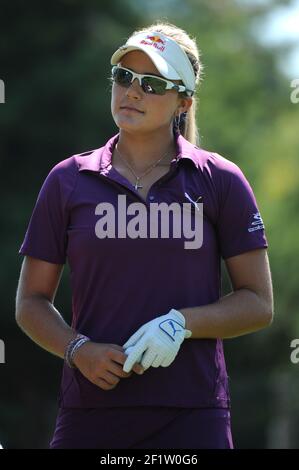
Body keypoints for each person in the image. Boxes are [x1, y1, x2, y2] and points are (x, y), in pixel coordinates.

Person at [16, 21, 273, 449]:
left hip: (193, 416)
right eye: (123, 77)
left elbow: (259, 303)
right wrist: (77, 349)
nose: (132, 92)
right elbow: (30, 301)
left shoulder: (220, 180)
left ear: (183, 102)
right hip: (90, 413)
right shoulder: (67, 180)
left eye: (152, 84)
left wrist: (182, 324)